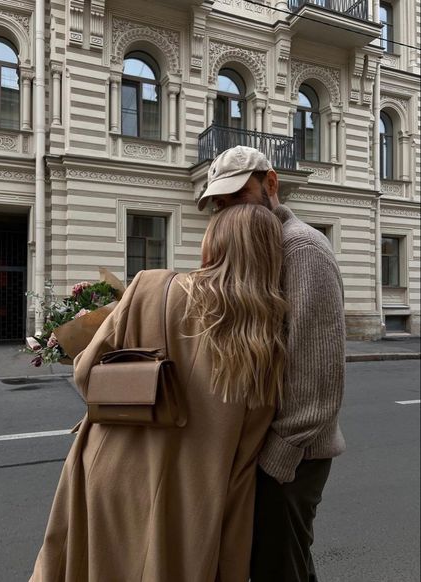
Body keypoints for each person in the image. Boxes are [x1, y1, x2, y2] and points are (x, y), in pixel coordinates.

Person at [29, 204, 287, 582]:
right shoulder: (268, 340)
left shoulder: (150, 286)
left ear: (212, 241)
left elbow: (86, 375)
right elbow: (245, 457)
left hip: (114, 471)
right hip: (193, 505)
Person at [197, 145, 346, 582]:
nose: (226, 212)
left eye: (236, 198)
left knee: (281, 569)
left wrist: (276, 462)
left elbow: (320, 373)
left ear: (271, 184)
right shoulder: (252, 244)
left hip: (292, 455)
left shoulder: (302, 248)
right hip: (259, 448)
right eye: (219, 204)